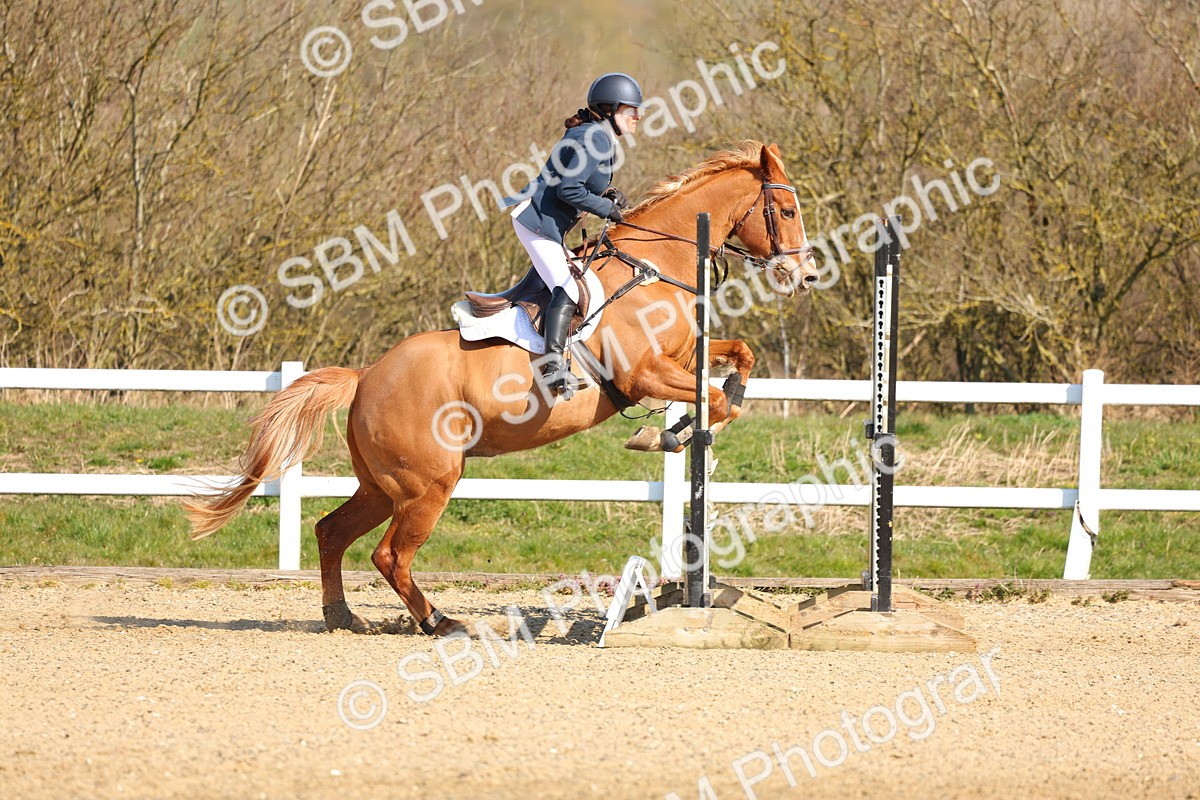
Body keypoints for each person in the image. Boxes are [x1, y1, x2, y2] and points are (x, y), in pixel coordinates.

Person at [505, 72, 643, 396]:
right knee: (567, 289)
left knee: (570, 282)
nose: (638, 117)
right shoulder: (593, 137)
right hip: (535, 221)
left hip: (546, 223)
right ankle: (552, 369)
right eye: (630, 110)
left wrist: (607, 195)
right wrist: (606, 209)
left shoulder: (596, 136)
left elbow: (578, 184)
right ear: (610, 109)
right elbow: (569, 189)